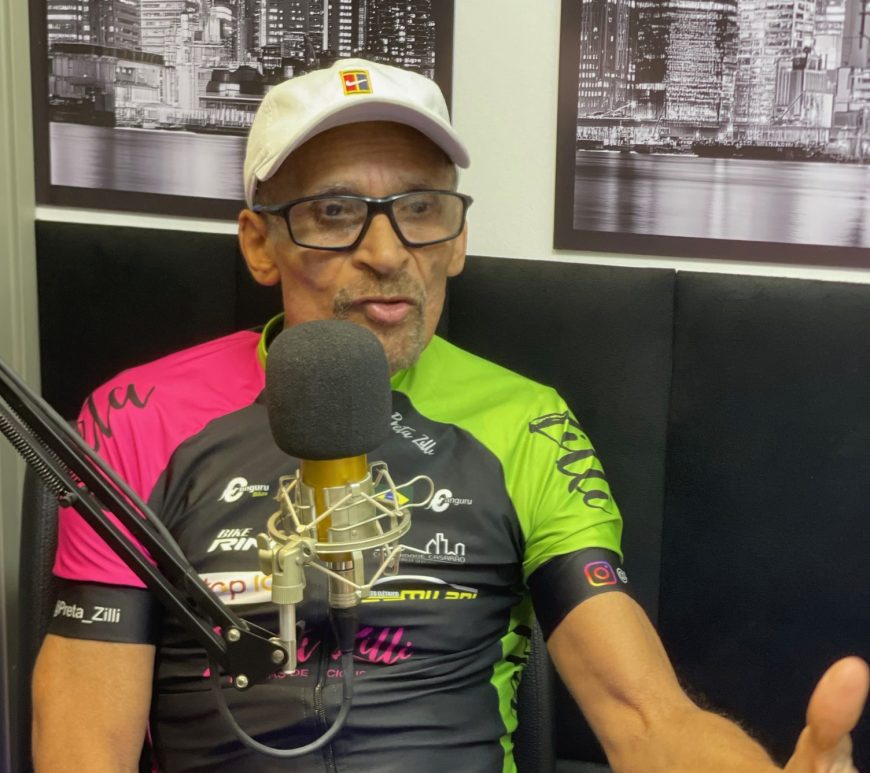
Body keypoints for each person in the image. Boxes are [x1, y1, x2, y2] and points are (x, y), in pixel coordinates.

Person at [32, 58, 867, 773]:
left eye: (421, 208)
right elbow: (85, 726)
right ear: (260, 243)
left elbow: (645, 714)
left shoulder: (527, 423)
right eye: (334, 211)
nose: (387, 252)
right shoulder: (136, 416)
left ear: (458, 239)